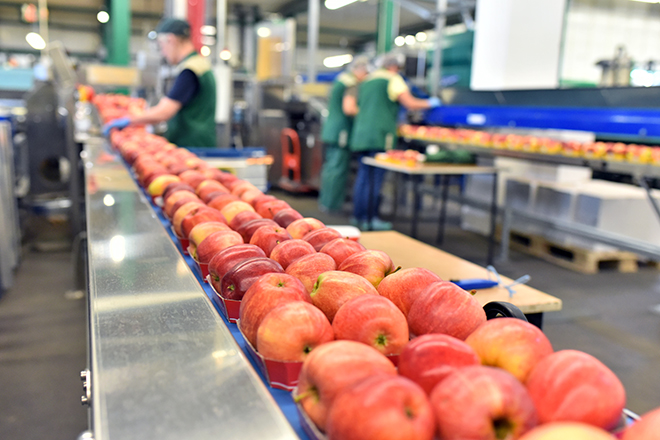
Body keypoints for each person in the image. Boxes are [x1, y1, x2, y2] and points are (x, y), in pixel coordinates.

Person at [349, 52, 441, 231]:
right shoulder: (393, 79)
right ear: (394, 66)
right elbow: (410, 103)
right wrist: (430, 103)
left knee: (363, 176)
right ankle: (371, 219)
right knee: (375, 178)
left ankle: (358, 217)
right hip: (380, 134)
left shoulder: (367, 80)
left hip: (361, 133)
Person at [103, 18, 217, 147]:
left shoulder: (190, 71)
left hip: (192, 145)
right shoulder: (199, 64)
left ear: (171, 40)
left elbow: (163, 112)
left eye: (162, 46)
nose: (163, 53)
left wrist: (129, 120)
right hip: (198, 142)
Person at [318, 56, 370, 213]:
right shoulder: (351, 83)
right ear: (359, 70)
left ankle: (326, 201)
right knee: (338, 167)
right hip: (342, 131)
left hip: (332, 129)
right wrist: (367, 116)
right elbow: (349, 108)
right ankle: (332, 204)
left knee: (331, 166)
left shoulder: (340, 80)